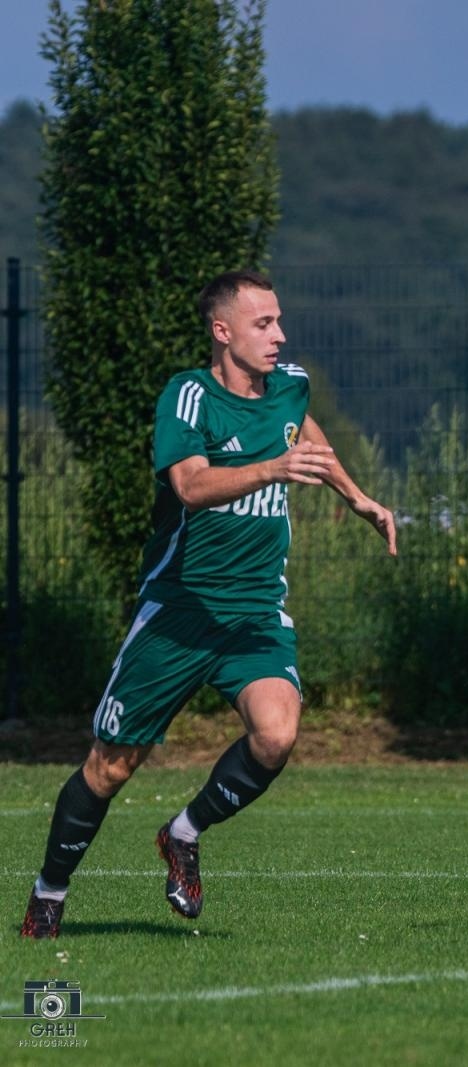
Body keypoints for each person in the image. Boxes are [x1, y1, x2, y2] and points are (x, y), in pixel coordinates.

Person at [19, 270, 397, 939]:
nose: (279, 335)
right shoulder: (188, 397)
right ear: (222, 332)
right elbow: (191, 485)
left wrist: (357, 497)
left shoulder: (289, 384)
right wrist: (270, 469)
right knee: (111, 765)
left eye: (279, 321)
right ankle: (49, 893)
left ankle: (183, 833)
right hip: (180, 612)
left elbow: (305, 431)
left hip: (253, 610)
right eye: (263, 324)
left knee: (277, 732)